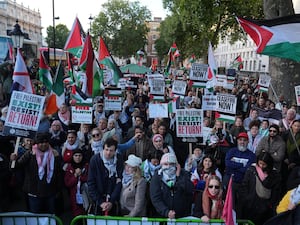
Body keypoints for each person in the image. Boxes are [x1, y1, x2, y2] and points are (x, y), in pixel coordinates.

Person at [10, 132, 62, 214]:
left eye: (46, 142)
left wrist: (58, 189)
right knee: (35, 216)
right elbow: (16, 167)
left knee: (50, 216)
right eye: (41, 142)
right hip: (34, 192)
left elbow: (58, 173)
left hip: (50, 192)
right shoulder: (30, 154)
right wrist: (13, 160)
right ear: (37, 143)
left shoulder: (54, 154)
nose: (44, 144)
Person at [239, 152, 281, 224]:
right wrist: (247, 198)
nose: (261, 166)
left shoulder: (275, 175)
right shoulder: (251, 170)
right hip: (250, 205)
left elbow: (276, 192)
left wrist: (269, 205)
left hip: (265, 208)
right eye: (260, 163)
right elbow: (244, 185)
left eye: (264, 164)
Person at [150, 153, 193, 218]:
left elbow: (189, 189)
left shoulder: (183, 174)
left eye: (171, 164)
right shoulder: (156, 177)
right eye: (166, 164)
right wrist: (166, 212)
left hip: (182, 216)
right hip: (162, 217)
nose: (168, 167)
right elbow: (156, 198)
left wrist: (178, 177)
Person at [87, 138, 123, 215]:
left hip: (113, 199)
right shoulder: (95, 160)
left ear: (115, 151)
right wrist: (100, 202)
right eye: (106, 150)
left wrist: (111, 201)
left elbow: (119, 181)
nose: (108, 153)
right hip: (98, 199)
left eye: (111, 150)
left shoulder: (119, 159)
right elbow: (91, 183)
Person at [64, 149, 89, 217]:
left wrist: (80, 176)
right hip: (74, 196)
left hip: (85, 194)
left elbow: (89, 179)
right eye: (76, 155)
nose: (78, 157)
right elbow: (67, 183)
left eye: (80, 155)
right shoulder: (69, 168)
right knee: (77, 216)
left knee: (86, 214)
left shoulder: (86, 167)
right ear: (73, 157)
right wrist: (75, 175)